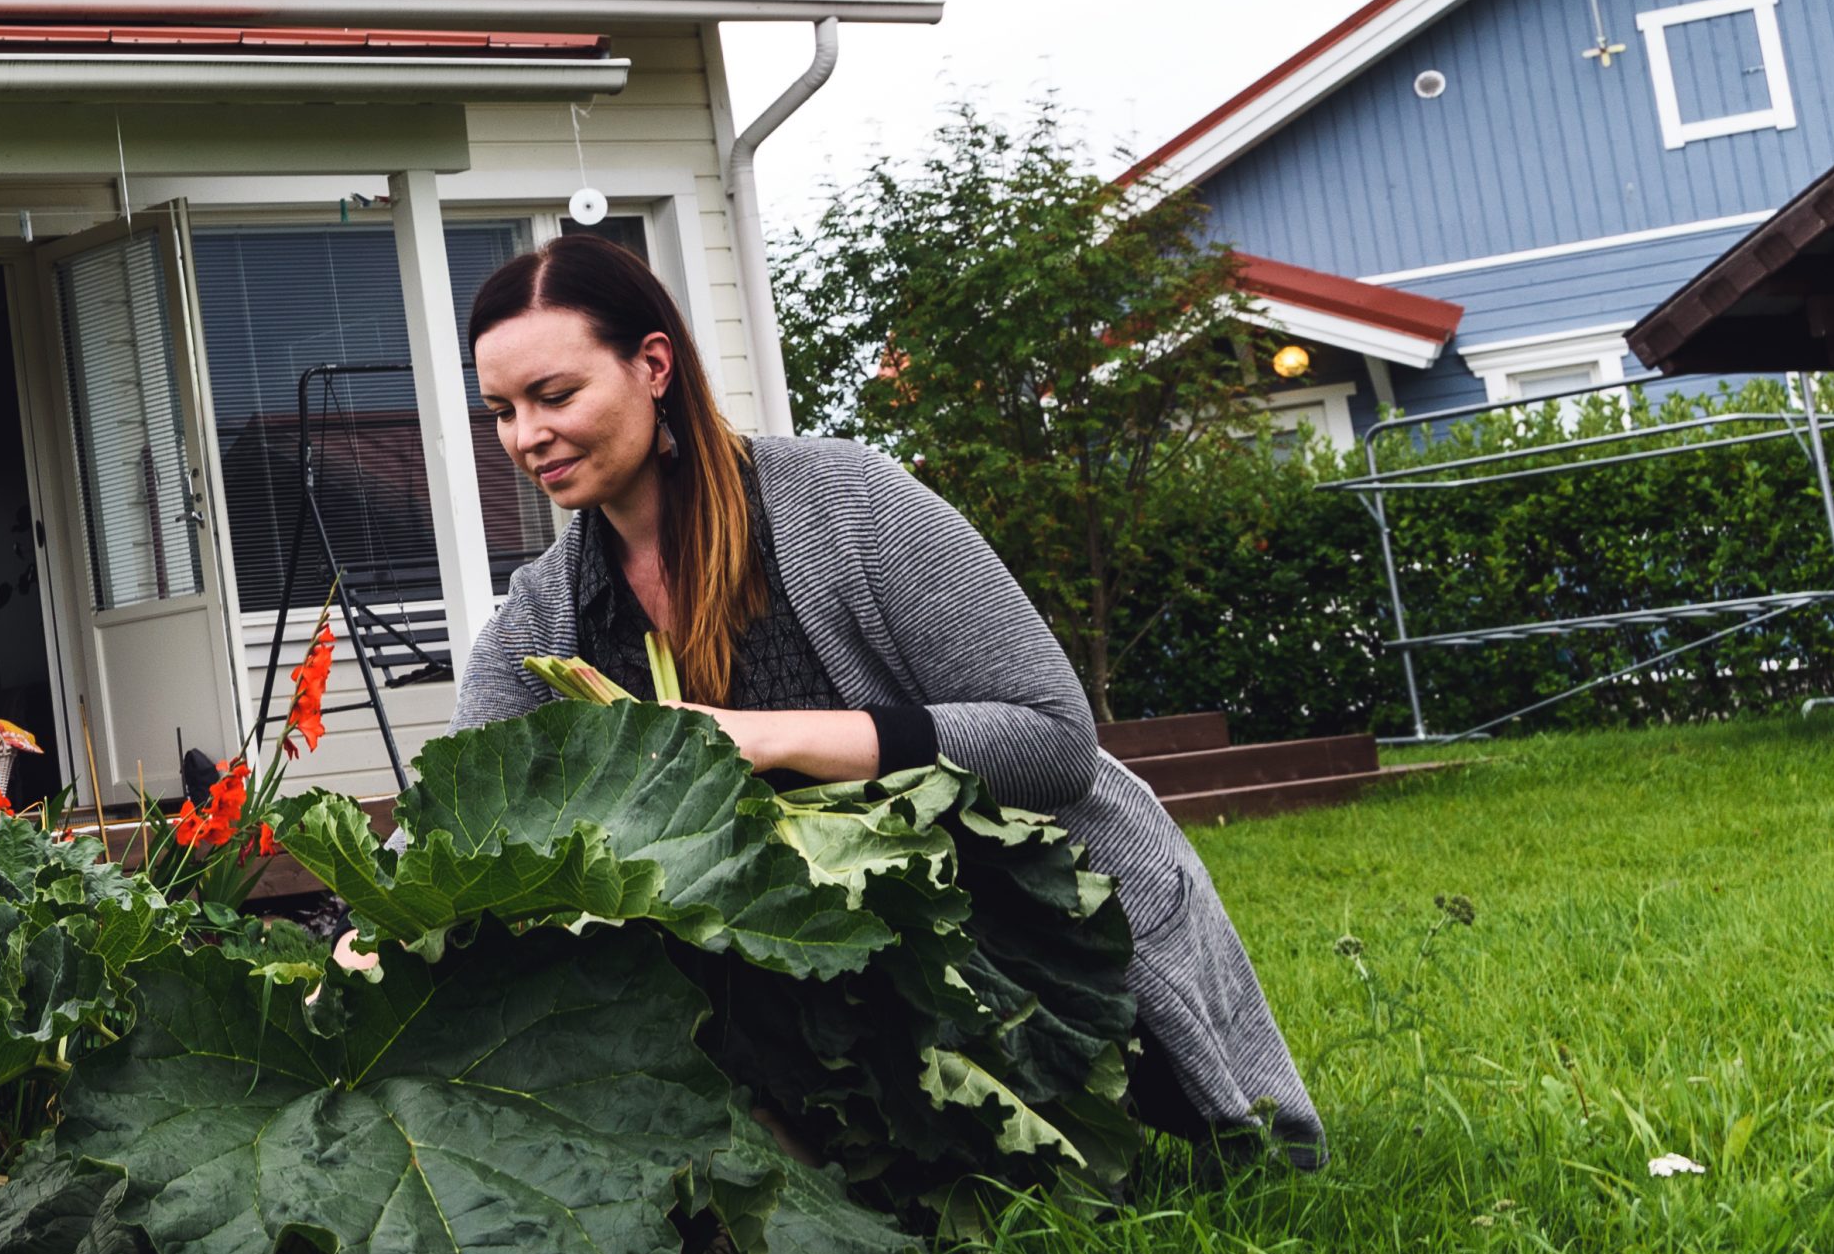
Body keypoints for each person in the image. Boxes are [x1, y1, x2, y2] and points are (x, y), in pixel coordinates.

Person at [456, 233, 1322, 1167]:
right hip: (800, 989)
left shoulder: (846, 501)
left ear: (653, 365)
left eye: (555, 395)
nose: (525, 436)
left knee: (1155, 1175)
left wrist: (764, 739)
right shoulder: (545, 615)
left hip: (1018, 944)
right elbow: (462, 807)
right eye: (501, 410)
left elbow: (1052, 738)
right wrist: (366, 932)